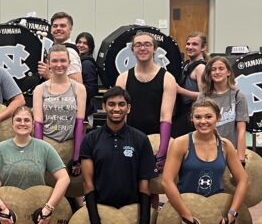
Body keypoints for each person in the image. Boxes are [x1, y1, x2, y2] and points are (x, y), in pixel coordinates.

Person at [161, 99, 248, 224]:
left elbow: (243, 180)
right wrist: (186, 216)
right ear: (192, 118)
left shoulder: (225, 146)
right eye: (198, 117)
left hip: (214, 213)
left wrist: (232, 213)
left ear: (218, 117)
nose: (203, 121)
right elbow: (167, 182)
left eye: (208, 117)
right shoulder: (181, 143)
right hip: (185, 209)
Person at [79, 87, 156, 224]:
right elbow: (88, 184)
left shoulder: (140, 139)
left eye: (121, 104)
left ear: (128, 108)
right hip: (103, 210)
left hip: (131, 209)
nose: (116, 109)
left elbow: (145, 184)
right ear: (103, 106)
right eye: (111, 104)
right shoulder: (90, 140)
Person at [115, 31, 177, 171]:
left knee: (153, 188)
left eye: (147, 44)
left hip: (155, 139)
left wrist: (162, 151)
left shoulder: (167, 78)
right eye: (138, 45)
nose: (143, 48)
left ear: (155, 49)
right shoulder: (123, 78)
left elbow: (166, 117)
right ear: (133, 50)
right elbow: (119, 115)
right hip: (130, 138)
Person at [32, 44, 87, 178]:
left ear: (69, 62)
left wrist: (76, 157)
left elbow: (79, 123)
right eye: (55, 61)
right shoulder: (40, 89)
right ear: (48, 63)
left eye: (63, 60)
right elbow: (38, 123)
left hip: (70, 143)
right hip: (48, 142)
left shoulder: (79, 89)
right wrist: (40, 154)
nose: (59, 65)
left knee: (72, 188)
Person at [197, 55, 249, 163]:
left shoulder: (238, 95)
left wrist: (240, 159)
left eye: (221, 69)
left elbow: (241, 130)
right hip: (207, 151)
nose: (217, 72)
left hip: (231, 151)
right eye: (213, 69)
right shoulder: (203, 96)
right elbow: (198, 126)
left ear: (228, 72)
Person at [171, 32, 208, 137]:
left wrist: (180, 90)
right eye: (188, 44)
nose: (190, 47)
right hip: (181, 112)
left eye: (194, 44)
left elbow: (204, 96)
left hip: (191, 114)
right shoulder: (187, 65)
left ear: (203, 47)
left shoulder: (201, 68)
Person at [38, 12, 82, 82]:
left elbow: (77, 83)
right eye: (55, 26)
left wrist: (49, 75)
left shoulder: (70, 52)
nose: (58, 28)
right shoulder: (53, 48)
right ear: (51, 29)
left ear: (70, 29)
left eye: (62, 26)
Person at [75, 32, 100, 109]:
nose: (81, 45)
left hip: (85, 108)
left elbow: (91, 89)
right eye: (79, 42)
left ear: (90, 47)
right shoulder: (77, 61)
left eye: (85, 43)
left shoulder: (87, 64)